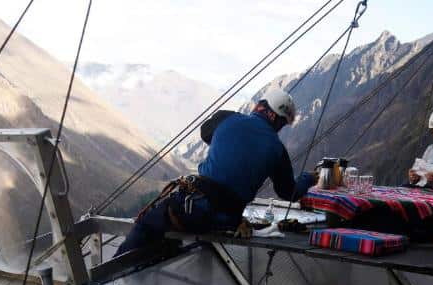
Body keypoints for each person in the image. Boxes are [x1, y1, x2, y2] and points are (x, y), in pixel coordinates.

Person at [116, 88, 316, 255]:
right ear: (276, 119)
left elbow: (206, 133)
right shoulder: (277, 150)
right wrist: (310, 178)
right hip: (229, 221)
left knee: (146, 225)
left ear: (262, 108)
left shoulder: (227, 118)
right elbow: (289, 192)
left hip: (193, 209)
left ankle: (113, 275)